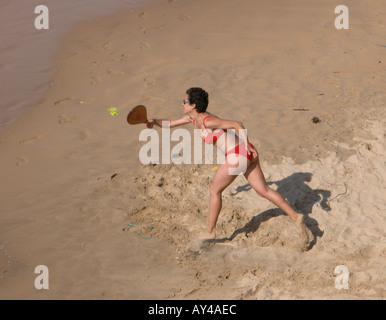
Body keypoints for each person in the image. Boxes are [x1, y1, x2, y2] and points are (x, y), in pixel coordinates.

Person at [146, 87, 310, 247]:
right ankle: (295, 217)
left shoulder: (208, 121)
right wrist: (153, 121)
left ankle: (210, 231)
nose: (182, 103)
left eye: (184, 101)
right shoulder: (193, 119)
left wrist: (247, 145)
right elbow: (170, 124)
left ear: (193, 105)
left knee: (214, 190)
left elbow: (238, 124)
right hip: (246, 154)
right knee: (264, 190)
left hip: (238, 154)